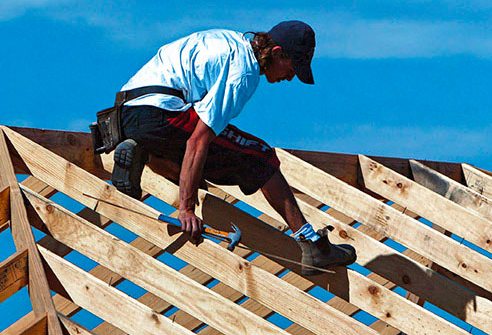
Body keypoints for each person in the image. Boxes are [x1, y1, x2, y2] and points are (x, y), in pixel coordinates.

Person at [110, 21, 356, 275]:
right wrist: (186, 209)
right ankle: (310, 243)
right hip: (160, 113)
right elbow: (198, 141)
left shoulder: (230, 40)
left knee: (205, 157)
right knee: (259, 156)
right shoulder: (243, 73)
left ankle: (144, 150)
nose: (290, 77)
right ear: (275, 53)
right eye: (291, 68)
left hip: (126, 113)